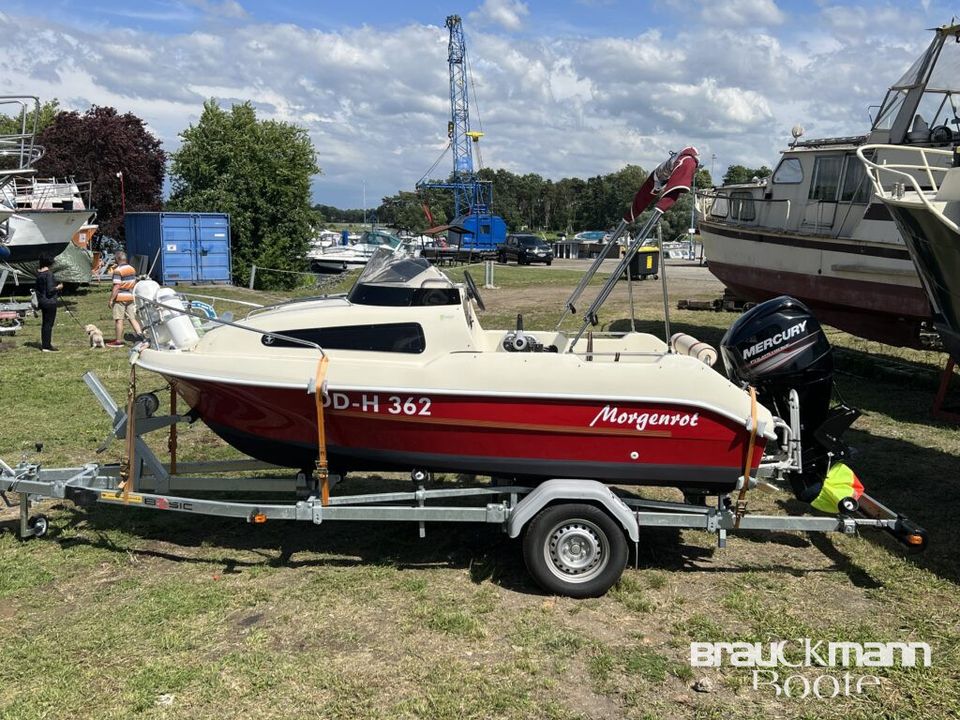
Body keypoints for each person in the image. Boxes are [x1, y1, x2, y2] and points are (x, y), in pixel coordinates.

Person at [107, 251, 143, 347]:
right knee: (132, 318)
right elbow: (134, 282)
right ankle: (140, 335)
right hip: (130, 296)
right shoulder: (132, 269)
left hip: (120, 297)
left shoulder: (117, 270)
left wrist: (111, 299)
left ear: (117, 259)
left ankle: (118, 341)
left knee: (119, 319)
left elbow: (117, 286)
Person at [35, 253, 63, 352]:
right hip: (50, 302)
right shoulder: (49, 274)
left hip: (42, 301)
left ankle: (45, 344)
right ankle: (46, 346)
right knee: (48, 324)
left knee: (44, 324)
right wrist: (58, 287)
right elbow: (50, 290)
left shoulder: (39, 274)